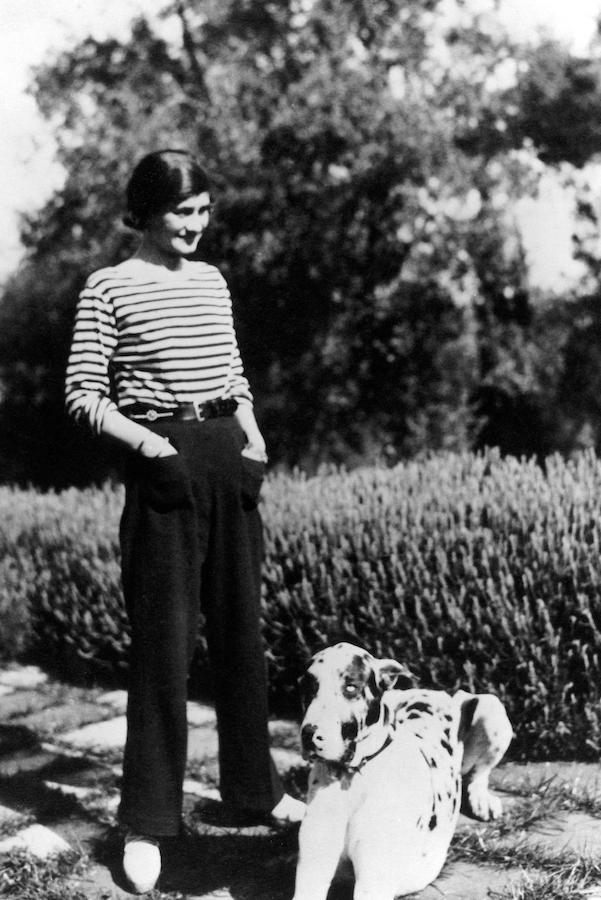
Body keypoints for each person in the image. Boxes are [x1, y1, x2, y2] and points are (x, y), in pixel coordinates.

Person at [65, 149, 305, 894]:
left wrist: (254, 437)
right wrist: (151, 446)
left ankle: (251, 795)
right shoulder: (108, 288)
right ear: (145, 211)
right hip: (161, 464)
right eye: (181, 212)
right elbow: (83, 395)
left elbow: (233, 378)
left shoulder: (211, 281)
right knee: (163, 652)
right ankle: (146, 821)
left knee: (241, 633)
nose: (196, 226)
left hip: (227, 459)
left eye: (204, 211)